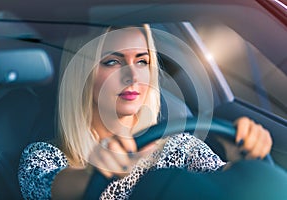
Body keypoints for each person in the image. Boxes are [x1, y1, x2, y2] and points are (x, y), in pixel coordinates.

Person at [18, 24, 272, 200]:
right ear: (81, 75)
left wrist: (242, 164)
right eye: (112, 61)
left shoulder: (180, 147)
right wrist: (90, 175)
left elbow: (222, 188)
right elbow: (55, 188)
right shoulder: (45, 156)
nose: (132, 75)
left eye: (142, 61)